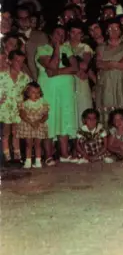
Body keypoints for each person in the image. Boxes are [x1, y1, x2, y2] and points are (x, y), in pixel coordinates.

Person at [36, 25, 79, 163]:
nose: (59, 37)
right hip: (49, 90)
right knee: (50, 118)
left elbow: (75, 67)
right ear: (51, 35)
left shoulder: (67, 48)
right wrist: (56, 48)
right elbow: (52, 66)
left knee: (64, 117)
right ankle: (48, 155)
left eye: (62, 34)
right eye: (57, 33)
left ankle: (64, 154)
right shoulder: (42, 49)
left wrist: (55, 73)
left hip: (65, 90)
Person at [95, 18, 123, 127]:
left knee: (122, 105)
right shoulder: (101, 47)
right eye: (110, 28)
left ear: (120, 30)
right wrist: (117, 64)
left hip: (121, 82)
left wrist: (113, 64)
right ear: (107, 31)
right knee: (107, 105)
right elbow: (98, 64)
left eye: (116, 28)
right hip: (106, 82)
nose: (113, 31)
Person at [0, 50, 31, 163]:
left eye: (22, 61)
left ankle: (17, 155)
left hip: (18, 109)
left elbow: (28, 93)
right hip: (5, 108)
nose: (19, 64)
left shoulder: (25, 78)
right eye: (17, 61)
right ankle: (6, 154)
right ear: (10, 61)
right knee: (6, 132)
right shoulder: (2, 76)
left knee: (16, 132)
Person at [67, 21, 94, 128]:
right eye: (73, 32)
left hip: (81, 81)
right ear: (69, 33)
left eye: (79, 33)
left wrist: (70, 65)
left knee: (83, 107)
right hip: (68, 81)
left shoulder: (85, 47)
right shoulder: (63, 46)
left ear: (82, 35)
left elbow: (85, 65)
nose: (75, 36)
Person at [18, 82, 49, 169]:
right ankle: (28, 161)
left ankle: (38, 161)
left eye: (38, 92)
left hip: (39, 125)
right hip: (28, 125)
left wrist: (39, 122)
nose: (36, 95)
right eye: (33, 92)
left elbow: (46, 115)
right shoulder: (24, 103)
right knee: (28, 144)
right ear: (27, 93)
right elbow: (22, 115)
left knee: (38, 144)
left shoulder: (42, 102)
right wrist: (31, 122)